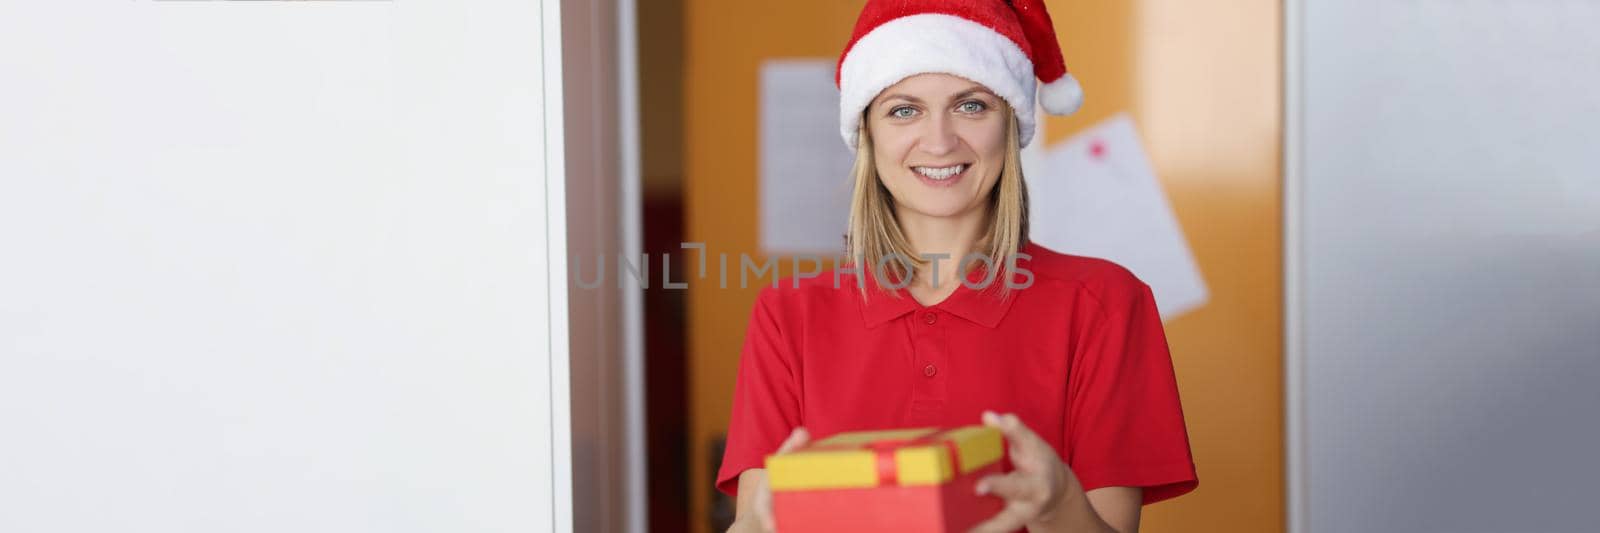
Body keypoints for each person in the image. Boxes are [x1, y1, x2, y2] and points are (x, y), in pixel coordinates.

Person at [717, 1, 1198, 531]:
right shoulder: (788, 315)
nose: (940, 141)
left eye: (971, 106)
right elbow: (756, 521)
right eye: (904, 110)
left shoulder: (1105, 304)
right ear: (868, 133)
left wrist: (1060, 505)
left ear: (1010, 123)